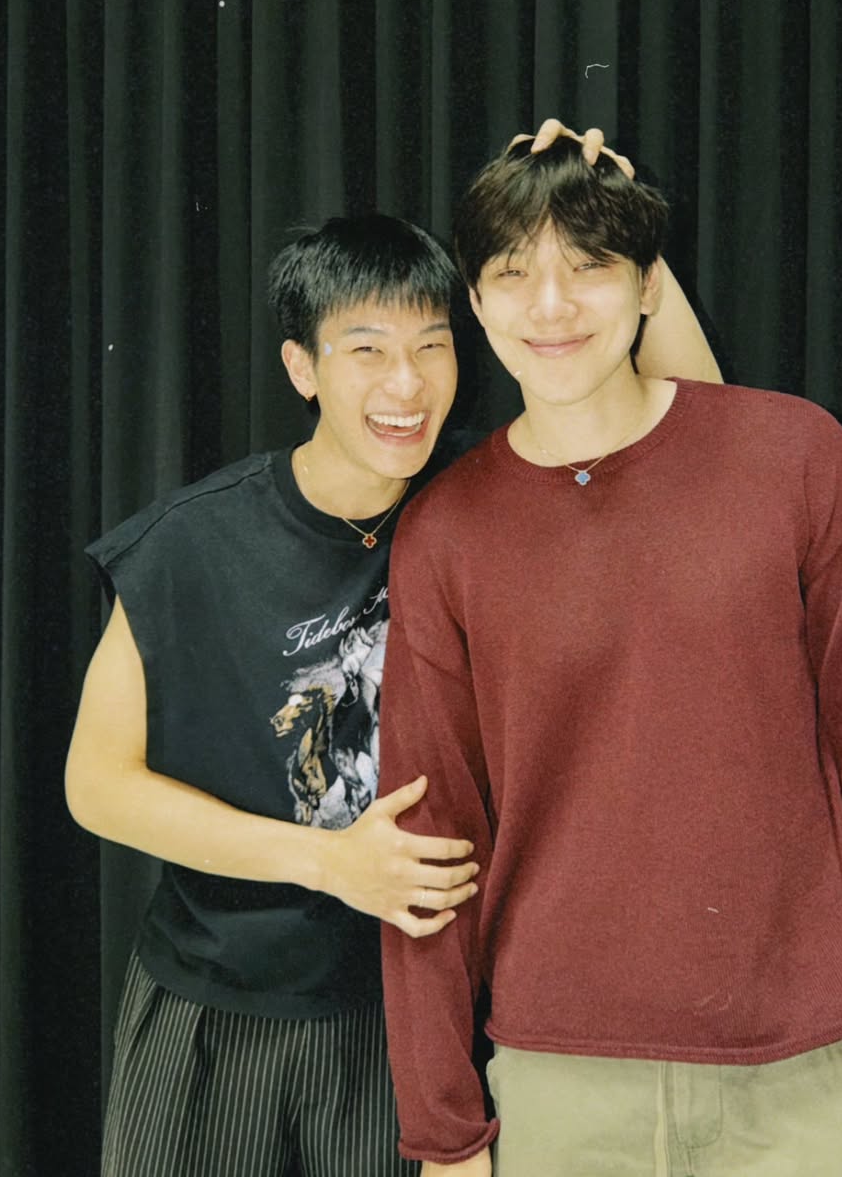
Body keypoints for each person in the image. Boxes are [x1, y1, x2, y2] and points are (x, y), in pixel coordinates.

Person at [64, 123, 722, 1177]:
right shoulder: (193, 541)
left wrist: (620, 227)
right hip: (211, 1004)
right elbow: (97, 784)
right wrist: (329, 861)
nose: (404, 384)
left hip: (409, 1016)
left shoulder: (483, 501)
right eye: (366, 349)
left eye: (431, 345)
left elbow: (700, 433)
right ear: (302, 366)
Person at [377, 137, 842, 1176]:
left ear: (646, 284)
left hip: (814, 1081)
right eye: (514, 273)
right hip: (561, 1091)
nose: (552, 305)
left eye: (590, 264)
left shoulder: (796, 457)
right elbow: (431, 833)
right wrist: (445, 1129)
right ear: (476, 301)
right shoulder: (447, 531)